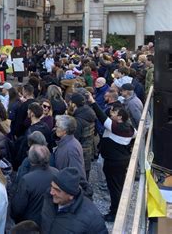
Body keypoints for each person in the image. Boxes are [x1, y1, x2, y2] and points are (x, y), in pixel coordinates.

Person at [88, 93, 136, 222]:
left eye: (114, 112)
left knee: (114, 189)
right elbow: (134, 136)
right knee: (118, 186)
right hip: (121, 160)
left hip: (113, 163)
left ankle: (115, 213)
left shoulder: (116, 127)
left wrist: (93, 102)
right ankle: (117, 208)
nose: (111, 112)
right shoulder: (129, 128)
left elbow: (101, 117)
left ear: (119, 117)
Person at [41, 167, 108, 234]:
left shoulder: (93, 220)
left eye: (57, 190)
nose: (51, 192)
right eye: (52, 186)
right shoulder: (49, 197)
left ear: (71, 195)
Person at [11, 145, 58, 226]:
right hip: (51, 222)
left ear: (31, 159)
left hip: (31, 224)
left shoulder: (27, 180)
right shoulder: (56, 173)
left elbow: (17, 209)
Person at [53, 115, 92, 198]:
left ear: (64, 131)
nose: (55, 128)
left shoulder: (71, 148)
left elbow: (78, 174)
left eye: (57, 126)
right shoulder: (67, 143)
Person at [69, 93, 96, 180]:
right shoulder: (88, 112)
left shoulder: (78, 121)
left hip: (80, 153)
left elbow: (74, 140)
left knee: (80, 176)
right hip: (88, 150)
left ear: (74, 104)